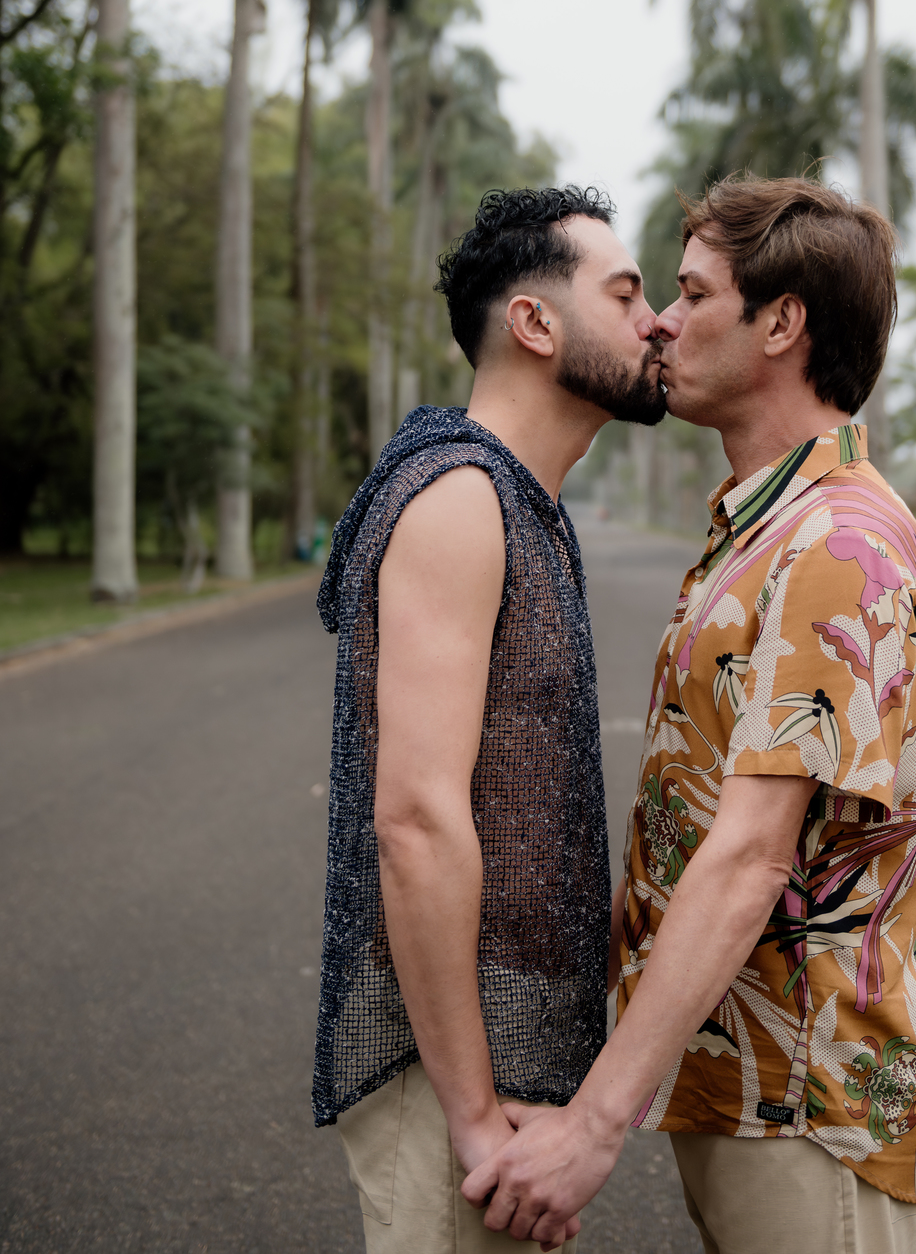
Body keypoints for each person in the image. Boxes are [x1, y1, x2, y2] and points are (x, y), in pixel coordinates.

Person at [464, 175, 916, 1254]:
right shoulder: (766, 528)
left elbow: (748, 857)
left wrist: (595, 1123)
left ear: (780, 324)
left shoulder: (838, 545)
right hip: (745, 1086)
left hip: (810, 1099)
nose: (662, 323)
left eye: (692, 294)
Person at [311, 184, 666, 1254]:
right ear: (535, 322)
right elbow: (417, 819)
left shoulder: (519, 499)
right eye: (626, 294)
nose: (657, 322)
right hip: (452, 1072)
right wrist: (469, 1113)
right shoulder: (462, 497)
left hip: (497, 1046)